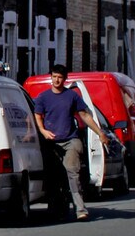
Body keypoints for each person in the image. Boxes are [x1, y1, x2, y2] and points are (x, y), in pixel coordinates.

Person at [33, 64, 107, 221]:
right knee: (54, 176)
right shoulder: (43, 97)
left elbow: (85, 116)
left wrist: (100, 133)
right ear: (51, 77)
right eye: (54, 77)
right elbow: (37, 116)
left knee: (72, 173)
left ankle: (80, 209)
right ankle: (56, 208)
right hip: (52, 143)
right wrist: (43, 131)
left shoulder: (71, 96)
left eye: (59, 77)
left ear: (65, 79)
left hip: (70, 140)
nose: (56, 80)